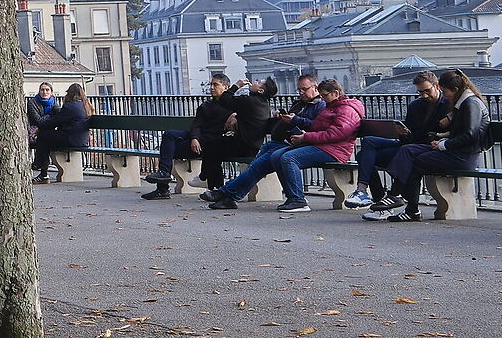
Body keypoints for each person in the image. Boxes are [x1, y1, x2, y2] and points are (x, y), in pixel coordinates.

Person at [207, 76, 361, 214]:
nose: (323, 98)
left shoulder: (341, 108)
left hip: (332, 149)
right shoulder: (325, 106)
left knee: (286, 158)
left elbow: (335, 133)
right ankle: (231, 195)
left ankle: (297, 199)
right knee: (271, 158)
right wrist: (293, 120)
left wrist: (303, 134)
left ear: (335, 93)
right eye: (299, 89)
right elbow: (316, 126)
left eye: (324, 95)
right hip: (309, 143)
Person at [379, 71, 493, 221]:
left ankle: (406, 205)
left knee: (417, 161)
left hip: (464, 156)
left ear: (455, 90)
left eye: (445, 91)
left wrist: (444, 145)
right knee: (407, 150)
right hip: (454, 150)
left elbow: (470, 135)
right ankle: (396, 197)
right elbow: (460, 131)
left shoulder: (471, 103)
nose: (444, 95)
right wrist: (441, 138)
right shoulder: (463, 103)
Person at [346, 71, 442, 210]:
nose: (424, 95)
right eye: (420, 92)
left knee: (362, 156)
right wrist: (403, 133)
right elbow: (410, 136)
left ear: (436, 86)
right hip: (408, 144)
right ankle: (362, 190)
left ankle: (379, 198)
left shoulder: (446, 104)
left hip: (421, 148)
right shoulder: (416, 105)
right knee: (368, 141)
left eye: (427, 91)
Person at [141, 74, 236, 198]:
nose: (211, 87)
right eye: (211, 84)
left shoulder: (233, 106)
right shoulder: (205, 106)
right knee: (169, 135)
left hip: (211, 143)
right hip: (198, 140)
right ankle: (164, 175)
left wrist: (235, 115)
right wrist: (194, 138)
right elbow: (196, 125)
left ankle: (162, 189)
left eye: (215, 85)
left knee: (169, 150)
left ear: (226, 87)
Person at [29, 83, 90, 181]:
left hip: (72, 139)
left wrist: (40, 128)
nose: (44, 92)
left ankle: (39, 165)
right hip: (82, 139)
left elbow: (56, 121)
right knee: (47, 139)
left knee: (43, 136)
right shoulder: (85, 105)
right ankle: (42, 171)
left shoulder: (70, 106)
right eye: (42, 90)